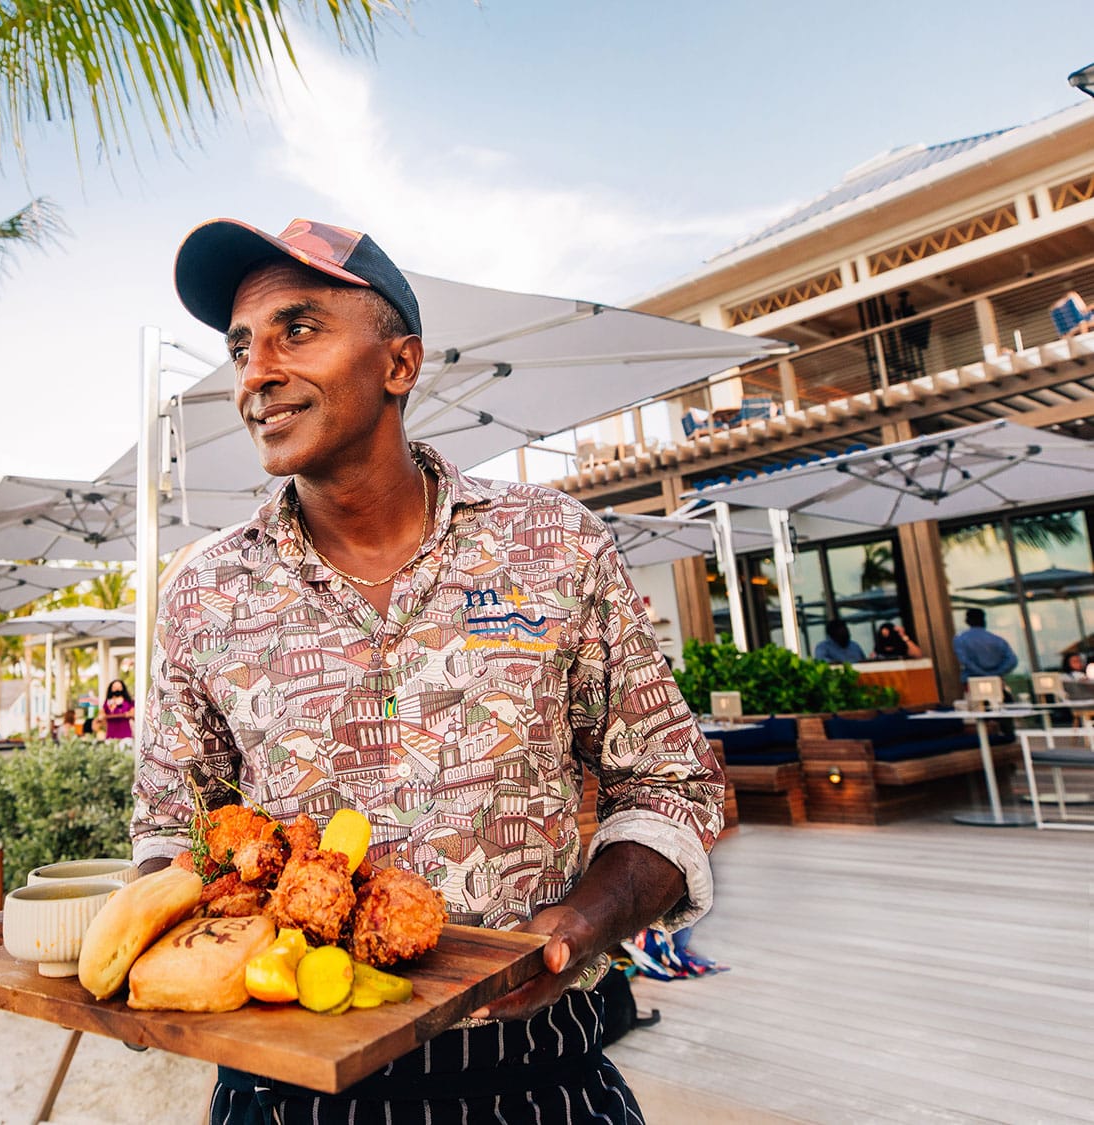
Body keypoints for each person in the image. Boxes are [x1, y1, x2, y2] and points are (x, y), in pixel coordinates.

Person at [132, 217, 725, 1123]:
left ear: (399, 364)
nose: (254, 374)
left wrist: (579, 924)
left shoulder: (553, 544)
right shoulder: (205, 591)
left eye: (298, 329)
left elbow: (674, 788)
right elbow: (173, 829)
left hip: (535, 1071)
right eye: (240, 346)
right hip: (287, 1082)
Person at [953, 607, 1018, 682]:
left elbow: (964, 661)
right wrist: (996, 673)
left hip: (971, 681)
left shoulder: (960, 640)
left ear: (967, 621)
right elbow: (1012, 661)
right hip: (996, 681)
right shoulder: (998, 640)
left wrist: (982, 673)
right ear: (984, 620)